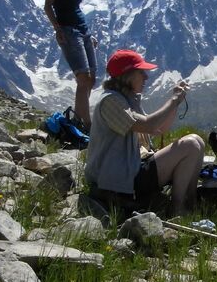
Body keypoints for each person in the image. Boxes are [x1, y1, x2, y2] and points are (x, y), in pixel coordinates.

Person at [85, 49, 205, 217]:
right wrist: (173, 100)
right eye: (141, 72)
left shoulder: (128, 100)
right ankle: (177, 208)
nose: (146, 77)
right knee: (191, 144)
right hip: (117, 180)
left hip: (131, 171)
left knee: (197, 141)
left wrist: (176, 103)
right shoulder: (110, 102)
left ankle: (190, 201)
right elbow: (149, 125)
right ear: (127, 75)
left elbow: (158, 129)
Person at [44, 0, 99, 129]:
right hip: (68, 30)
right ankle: (86, 123)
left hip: (83, 30)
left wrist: (88, 34)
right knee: (83, 77)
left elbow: (76, 8)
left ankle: (79, 118)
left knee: (91, 78)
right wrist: (58, 29)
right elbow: (48, 5)